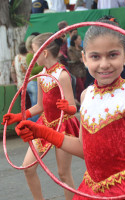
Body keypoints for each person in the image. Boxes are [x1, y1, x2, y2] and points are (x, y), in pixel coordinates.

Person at [15, 20, 125, 199]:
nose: (104, 64)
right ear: (84, 58)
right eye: (95, 57)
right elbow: (83, 149)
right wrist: (42, 132)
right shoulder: (86, 95)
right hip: (91, 189)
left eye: (112, 55)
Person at [2, 33, 79, 200]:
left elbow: (73, 107)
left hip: (62, 126)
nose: (32, 55)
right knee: (28, 168)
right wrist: (18, 116)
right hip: (44, 124)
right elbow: (39, 106)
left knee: (63, 174)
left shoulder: (62, 75)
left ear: (44, 53)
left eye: (35, 51)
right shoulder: (41, 75)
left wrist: (68, 108)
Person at [25, 35, 44, 122]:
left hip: (35, 83)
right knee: (35, 108)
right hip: (34, 83)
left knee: (35, 107)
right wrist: (44, 65)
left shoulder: (33, 54)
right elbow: (32, 70)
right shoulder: (30, 55)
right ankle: (31, 126)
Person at [67, 34, 86, 104]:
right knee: (80, 88)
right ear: (75, 41)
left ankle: (82, 103)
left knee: (83, 87)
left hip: (83, 71)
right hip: (75, 72)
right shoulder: (70, 49)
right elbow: (73, 58)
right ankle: (79, 103)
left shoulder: (81, 48)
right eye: (79, 39)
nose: (81, 40)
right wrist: (80, 59)